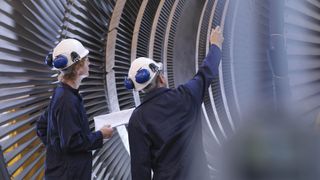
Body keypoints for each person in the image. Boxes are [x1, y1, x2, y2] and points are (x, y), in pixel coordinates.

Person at [125, 26, 224, 180]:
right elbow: (206, 73)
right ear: (161, 78)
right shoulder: (186, 96)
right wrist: (216, 46)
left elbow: (140, 171)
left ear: (140, 90)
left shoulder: (138, 120)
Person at [36, 39, 113, 180]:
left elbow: (41, 126)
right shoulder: (67, 100)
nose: (89, 63)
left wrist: (57, 152)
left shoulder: (63, 94)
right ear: (78, 67)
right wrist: (101, 135)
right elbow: (73, 142)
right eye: (86, 59)